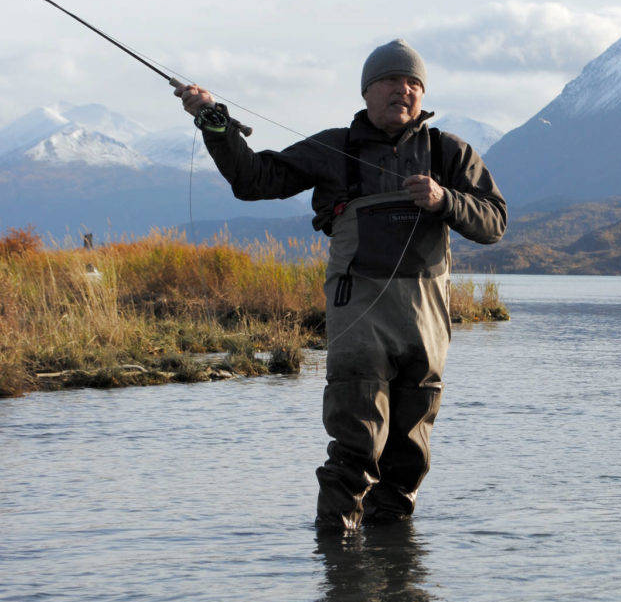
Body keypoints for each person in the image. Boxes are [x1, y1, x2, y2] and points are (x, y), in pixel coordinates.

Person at [174, 39, 506, 530]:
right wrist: (213, 121)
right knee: (356, 447)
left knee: (409, 458)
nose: (404, 89)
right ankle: (338, 568)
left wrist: (445, 200)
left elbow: (495, 222)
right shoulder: (335, 148)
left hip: (427, 327)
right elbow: (253, 179)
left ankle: (395, 568)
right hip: (360, 320)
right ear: (367, 92)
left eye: (413, 82)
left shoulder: (448, 151)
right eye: (391, 80)